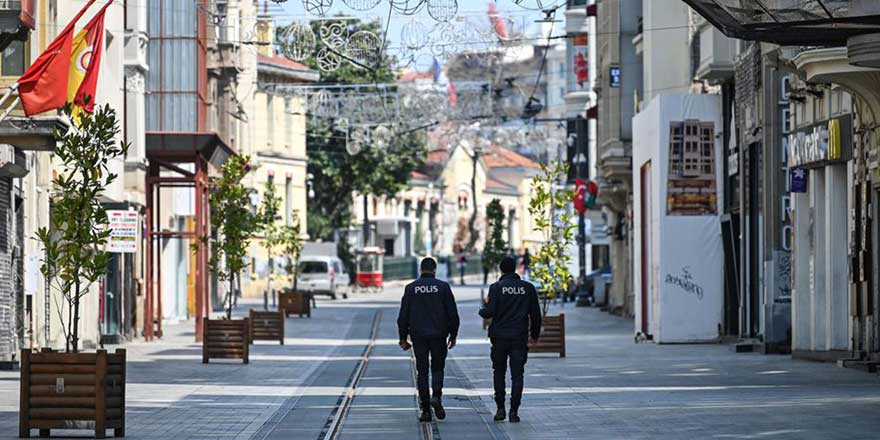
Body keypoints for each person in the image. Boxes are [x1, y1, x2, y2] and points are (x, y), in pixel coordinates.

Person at [479, 256, 541, 423]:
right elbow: (535, 314)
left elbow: (489, 311)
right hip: (519, 337)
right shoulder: (527, 288)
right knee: (517, 374)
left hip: (499, 337)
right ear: (515, 268)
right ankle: (514, 411)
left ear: (501, 269)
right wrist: (534, 335)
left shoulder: (496, 288)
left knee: (498, 372)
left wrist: (482, 310)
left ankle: (500, 408)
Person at [397, 257, 461, 422]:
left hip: (419, 336)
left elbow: (403, 316)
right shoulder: (443, 287)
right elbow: (453, 314)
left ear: (420, 269)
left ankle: (425, 410)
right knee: (438, 369)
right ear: (435, 269)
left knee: (422, 371)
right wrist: (453, 335)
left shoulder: (411, 288)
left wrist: (403, 338)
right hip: (439, 335)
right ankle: (437, 398)